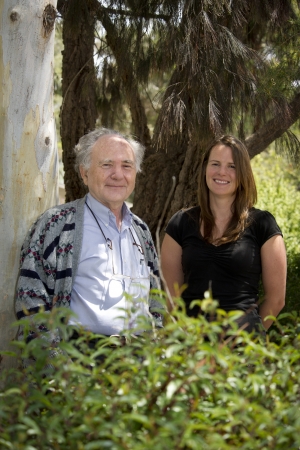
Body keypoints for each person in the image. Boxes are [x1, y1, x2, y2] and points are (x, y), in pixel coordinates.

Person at [15, 128, 163, 351]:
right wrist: (59, 371)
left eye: (126, 166)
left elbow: (155, 300)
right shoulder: (57, 224)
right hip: (80, 364)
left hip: (139, 366)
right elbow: (30, 300)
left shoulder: (140, 230)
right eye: (106, 165)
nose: (117, 174)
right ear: (84, 174)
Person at [161, 135, 286, 335]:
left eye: (232, 166)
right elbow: (171, 298)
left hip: (243, 354)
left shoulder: (263, 225)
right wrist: (186, 345)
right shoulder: (180, 223)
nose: (222, 172)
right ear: (204, 169)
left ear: (243, 173)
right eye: (215, 164)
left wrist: (249, 339)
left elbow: (276, 300)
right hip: (191, 352)